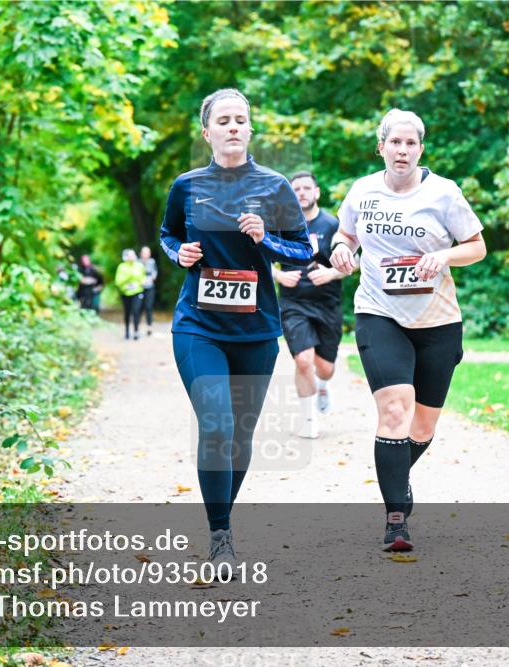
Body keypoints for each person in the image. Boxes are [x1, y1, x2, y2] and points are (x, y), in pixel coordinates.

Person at [159, 88, 313, 572]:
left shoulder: (274, 187)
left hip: (256, 330)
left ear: (249, 129)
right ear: (207, 132)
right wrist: (177, 253)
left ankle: (223, 518)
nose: (232, 126)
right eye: (222, 120)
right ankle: (220, 533)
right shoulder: (186, 184)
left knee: (241, 435)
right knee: (217, 424)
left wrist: (265, 238)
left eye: (240, 119)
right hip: (198, 325)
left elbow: (303, 251)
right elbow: (168, 234)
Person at [329, 109, 486, 551]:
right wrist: (341, 251)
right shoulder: (363, 191)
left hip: (437, 322)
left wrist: (445, 257)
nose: (402, 151)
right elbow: (345, 236)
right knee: (395, 412)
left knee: (420, 427)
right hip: (379, 313)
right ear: (381, 147)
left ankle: (397, 474)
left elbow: (477, 246)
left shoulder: (444, 193)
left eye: (411, 143)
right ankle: (396, 521)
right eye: (394, 143)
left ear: (421, 148)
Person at [273, 172, 345, 439]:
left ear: (316, 193)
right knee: (303, 360)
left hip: (327, 303)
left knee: (324, 367)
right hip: (293, 303)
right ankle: (308, 419)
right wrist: (279, 275)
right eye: (296, 189)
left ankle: (323, 385)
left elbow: (355, 262)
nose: (301, 192)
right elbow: (260, 259)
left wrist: (332, 273)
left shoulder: (333, 224)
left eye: (306, 188)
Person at [115, 248, 146, 340]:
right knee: (127, 313)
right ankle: (127, 331)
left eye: (133, 255)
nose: (132, 257)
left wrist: (140, 282)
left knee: (136, 312)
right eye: (130, 255)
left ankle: (136, 332)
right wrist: (129, 276)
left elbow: (143, 278)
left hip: (137, 292)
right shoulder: (121, 267)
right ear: (126, 257)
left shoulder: (139, 266)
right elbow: (118, 282)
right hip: (125, 293)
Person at [139, 246, 158, 336]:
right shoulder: (137, 262)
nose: (146, 254)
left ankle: (149, 327)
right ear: (141, 253)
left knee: (149, 307)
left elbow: (155, 271)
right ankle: (137, 327)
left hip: (150, 287)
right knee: (139, 307)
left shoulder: (152, 261)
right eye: (145, 253)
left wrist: (153, 277)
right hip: (139, 288)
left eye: (148, 253)